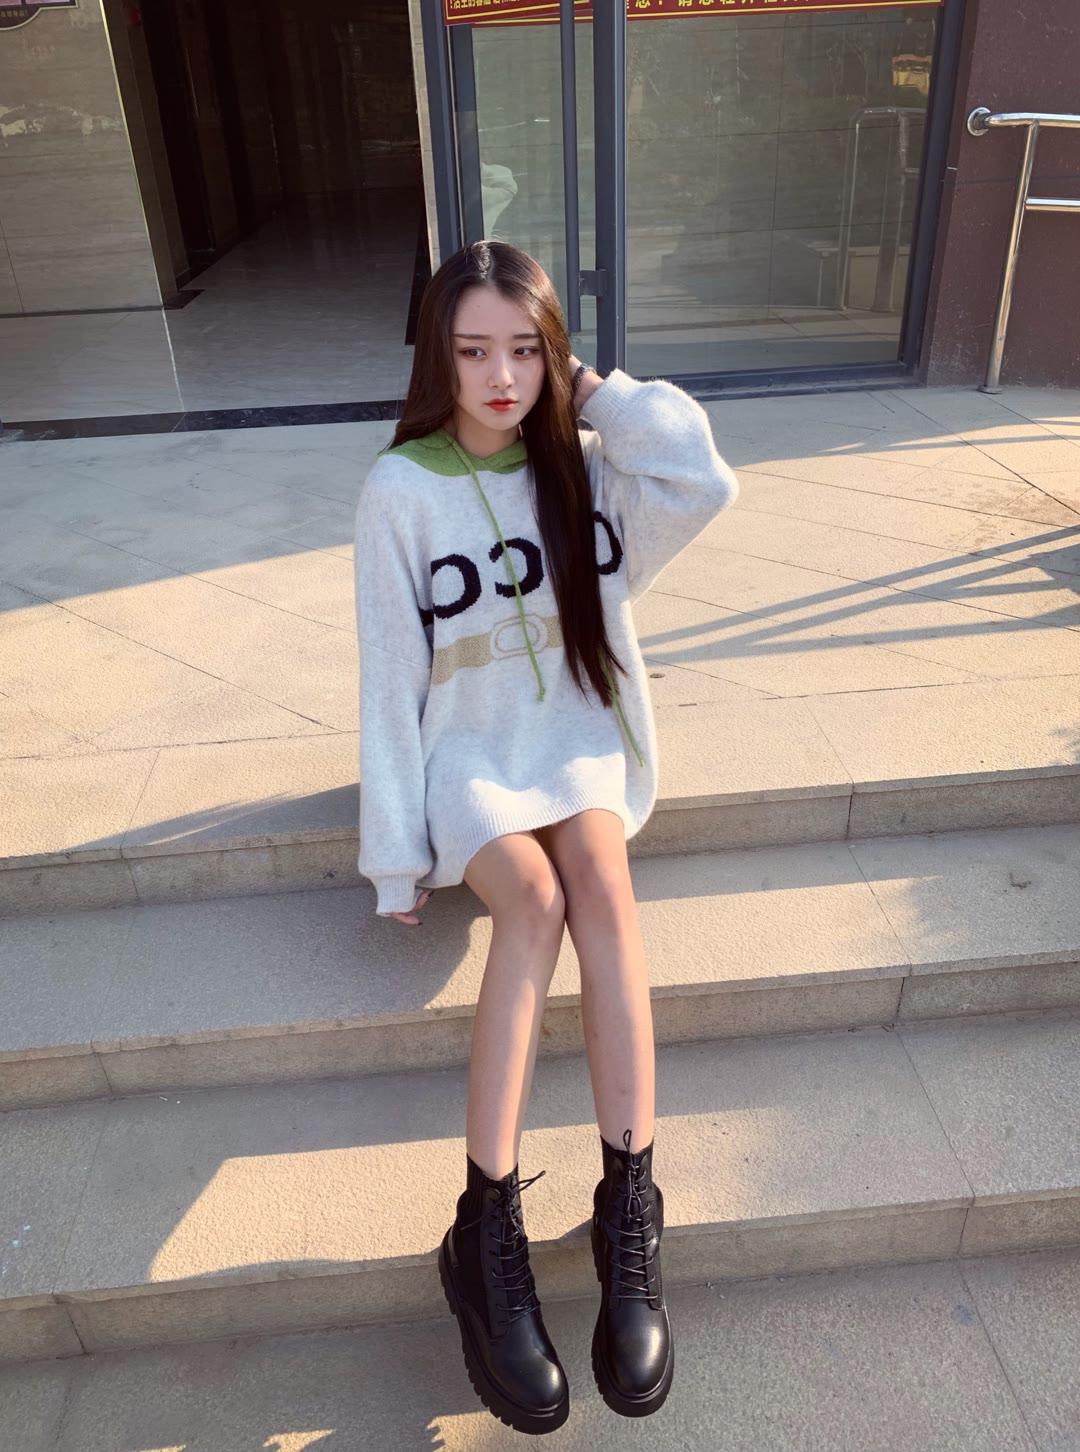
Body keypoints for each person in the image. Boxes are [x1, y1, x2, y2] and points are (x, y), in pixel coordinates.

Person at [353, 239, 739, 1433]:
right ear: (438, 357)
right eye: (473, 351)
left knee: (604, 891)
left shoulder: (585, 472)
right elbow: (388, 679)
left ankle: (632, 1218)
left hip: (576, 737)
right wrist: (394, 853)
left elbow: (703, 476)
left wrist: (597, 395)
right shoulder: (400, 490)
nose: (501, 377)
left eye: (525, 351)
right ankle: (488, 1232)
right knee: (533, 901)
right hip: (468, 758)